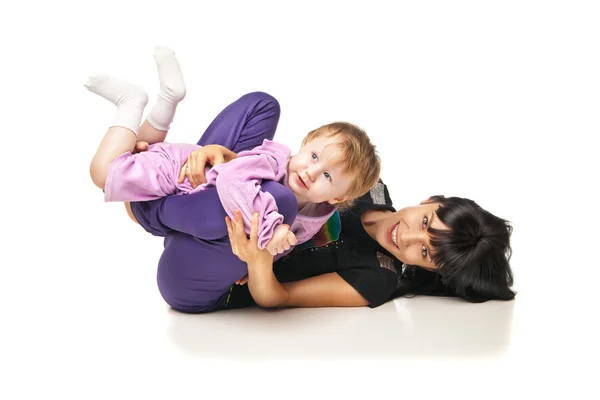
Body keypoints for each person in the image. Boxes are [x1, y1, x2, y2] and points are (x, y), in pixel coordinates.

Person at [85, 46, 381, 257]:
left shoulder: (316, 220)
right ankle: (130, 102)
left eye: (327, 175)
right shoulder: (274, 158)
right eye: (314, 157)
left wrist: (248, 266)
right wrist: (271, 229)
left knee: (142, 150)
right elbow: (232, 182)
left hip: (186, 195)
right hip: (181, 174)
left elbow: (280, 251)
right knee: (103, 173)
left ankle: (169, 98)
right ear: (304, 145)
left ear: (337, 198)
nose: (311, 171)